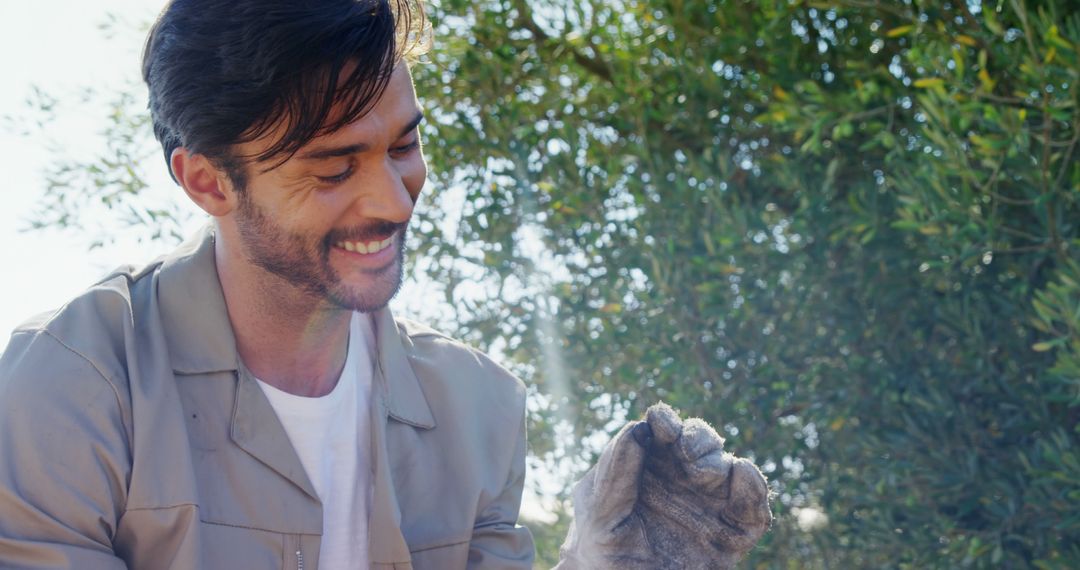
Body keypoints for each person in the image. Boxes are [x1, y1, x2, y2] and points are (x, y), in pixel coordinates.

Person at [0, 1, 771, 568]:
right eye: (334, 167)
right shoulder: (72, 387)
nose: (392, 200)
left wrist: (600, 566)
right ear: (208, 182)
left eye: (404, 147)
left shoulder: (480, 408)